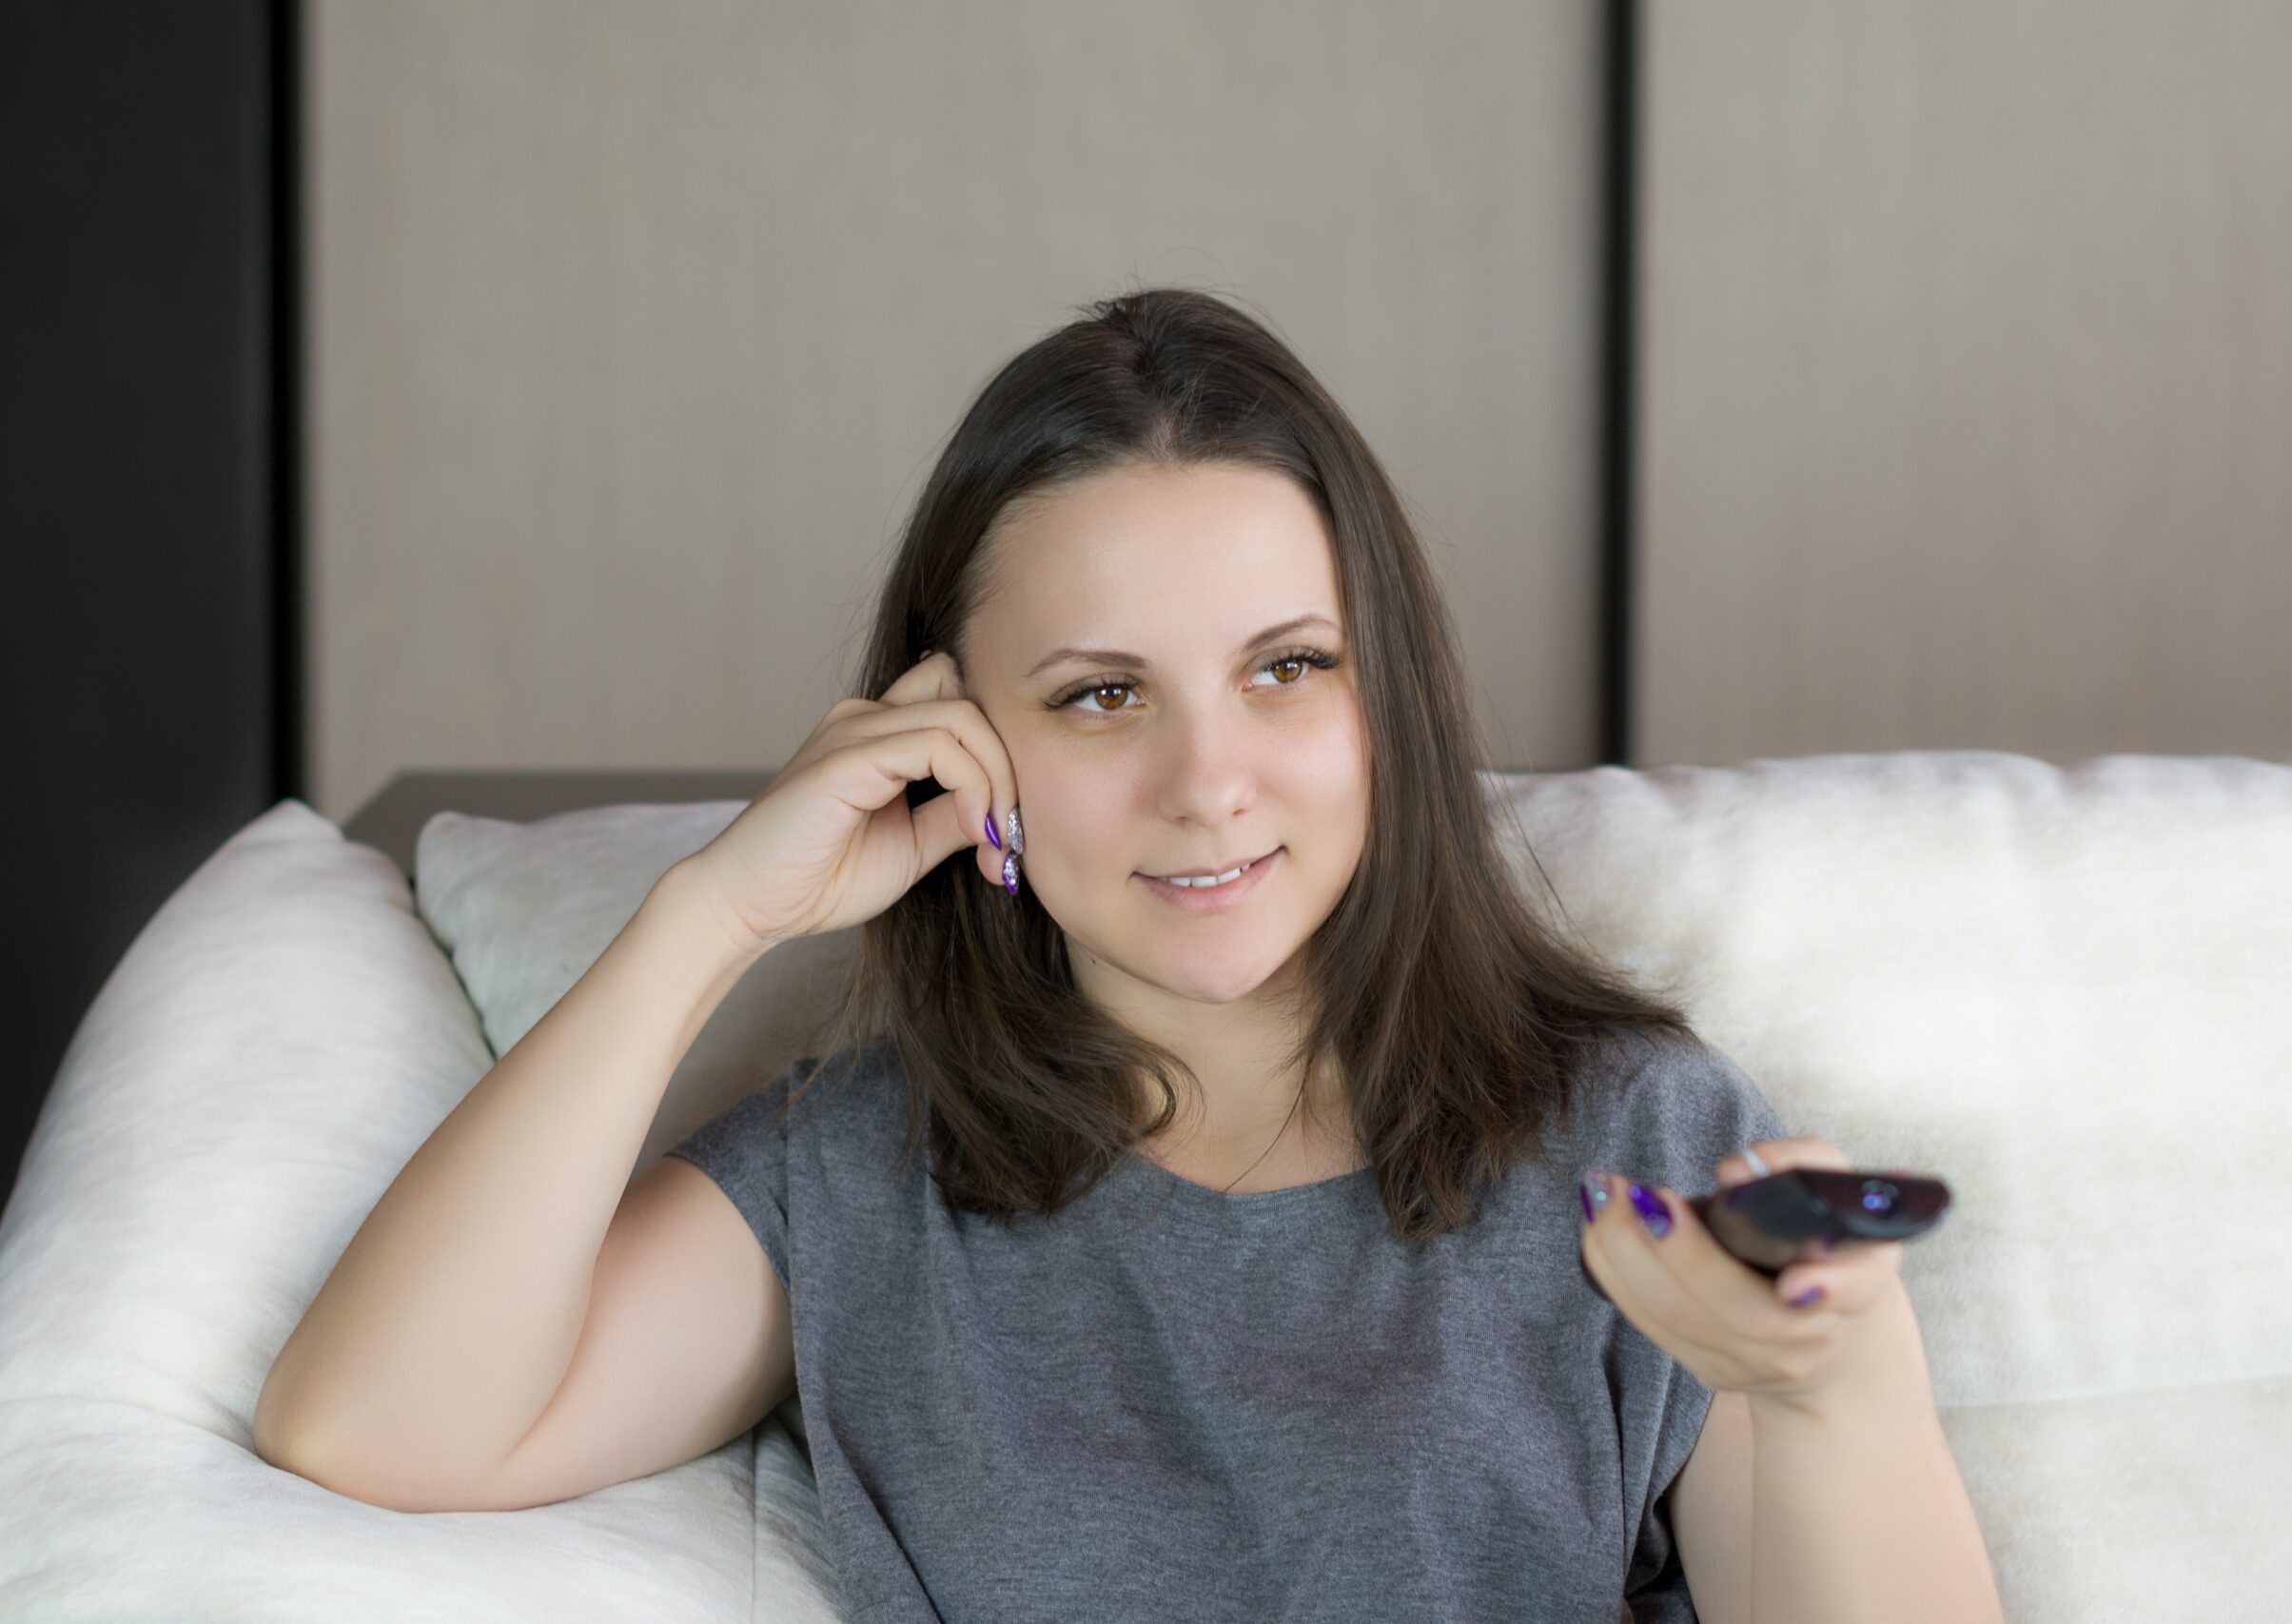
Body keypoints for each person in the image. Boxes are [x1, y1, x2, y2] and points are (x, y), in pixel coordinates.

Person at [254, 286, 2002, 1623]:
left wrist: (1839, 1386)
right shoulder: (861, 1181)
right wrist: (715, 913)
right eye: (1102, 695)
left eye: (1288, 668)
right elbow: (376, 1429)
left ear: (1388, 694)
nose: (1208, 783)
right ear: (954, 737)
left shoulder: (1635, 1143)